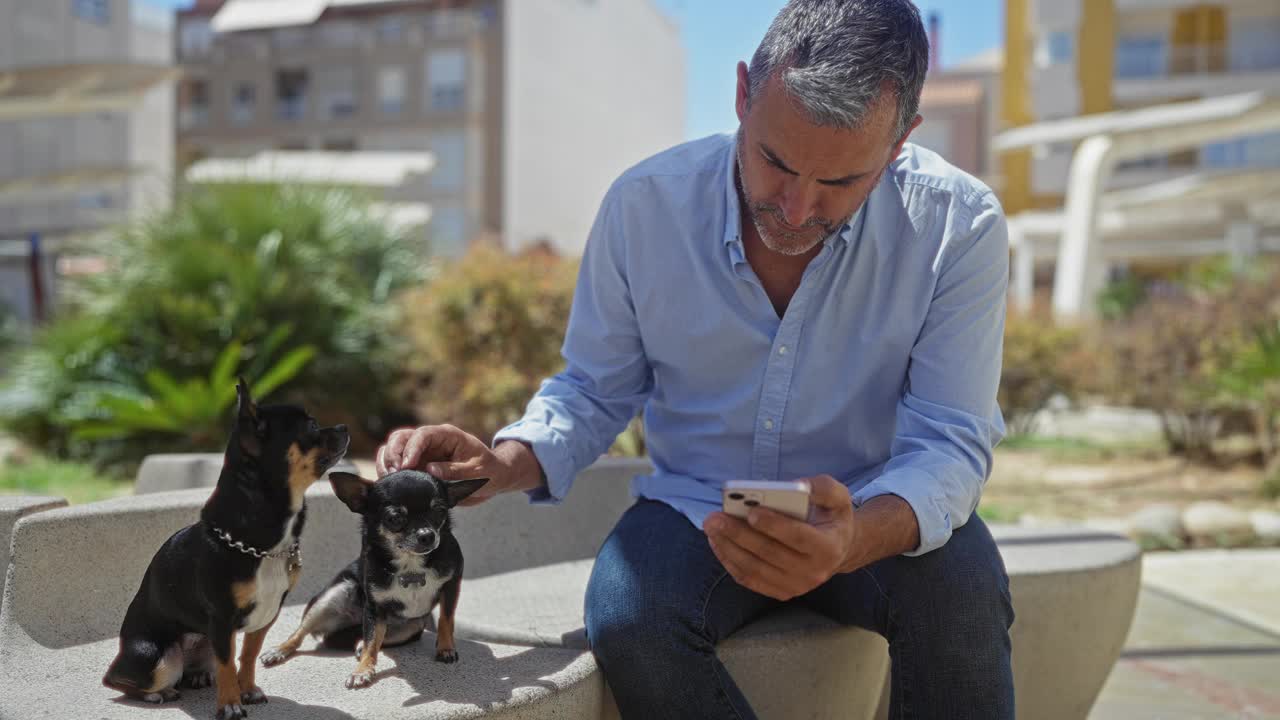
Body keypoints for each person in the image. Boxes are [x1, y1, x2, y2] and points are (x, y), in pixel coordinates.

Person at [376, 0, 1014, 716]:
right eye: (775, 161)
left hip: (875, 503)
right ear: (742, 94)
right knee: (627, 613)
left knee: (965, 591)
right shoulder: (645, 207)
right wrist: (506, 461)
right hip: (697, 509)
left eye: (840, 183)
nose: (797, 209)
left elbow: (950, 441)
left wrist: (857, 536)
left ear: (900, 145)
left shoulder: (960, 226)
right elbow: (593, 388)